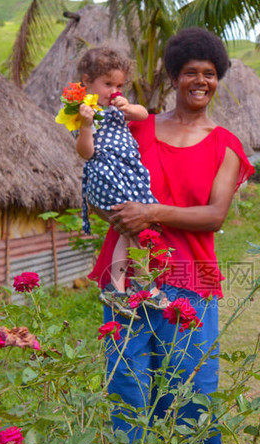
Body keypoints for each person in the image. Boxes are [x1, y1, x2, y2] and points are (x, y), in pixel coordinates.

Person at [88, 28, 254, 444]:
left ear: (217, 78)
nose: (200, 81)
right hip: (130, 271)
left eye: (209, 73)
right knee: (127, 366)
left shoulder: (227, 146)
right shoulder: (136, 127)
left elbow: (215, 215)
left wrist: (153, 211)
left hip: (190, 272)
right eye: (189, 73)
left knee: (192, 370)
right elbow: (98, 182)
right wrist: (121, 218)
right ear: (174, 77)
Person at [75, 46, 168, 317]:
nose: (113, 90)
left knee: (129, 230)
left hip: (128, 175)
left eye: (118, 84)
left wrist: (127, 105)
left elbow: (142, 115)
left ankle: (116, 289)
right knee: (136, 228)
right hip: (107, 176)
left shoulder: (118, 107)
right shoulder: (83, 112)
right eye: (107, 84)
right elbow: (86, 153)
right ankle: (143, 286)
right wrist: (84, 124)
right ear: (86, 82)